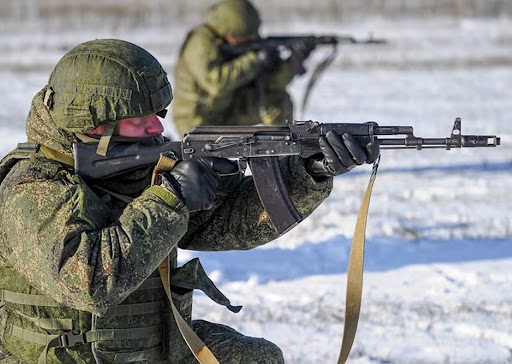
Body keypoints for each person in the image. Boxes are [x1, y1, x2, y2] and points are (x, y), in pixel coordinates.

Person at [0, 39, 379, 364]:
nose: (157, 128)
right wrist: (171, 199)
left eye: (158, 114)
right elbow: (89, 283)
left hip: (152, 343)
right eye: (140, 118)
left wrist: (308, 171)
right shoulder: (33, 188)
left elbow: (228, 222)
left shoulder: (137, 159)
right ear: (93, 123)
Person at [172, 0, 315, 137]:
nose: (253, 38)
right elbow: (215, 83)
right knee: (208, 162)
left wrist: (292, 62)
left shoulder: (245, 43)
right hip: (198, 119)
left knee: (277, 100)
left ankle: (285, 151)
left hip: (230, 108)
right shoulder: (200, 43)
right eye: (247, 36)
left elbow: (271, 84)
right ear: (230, 34)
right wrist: (254, 60)